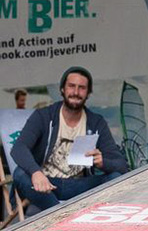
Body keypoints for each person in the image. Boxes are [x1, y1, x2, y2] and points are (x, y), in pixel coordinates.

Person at [11, 66, 128, 212]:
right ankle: (58, 213)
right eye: (71, 86)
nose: (76, 92)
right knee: (20, 174)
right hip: (48, 184)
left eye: (82, 88)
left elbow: (121, 165)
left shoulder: (96, 122)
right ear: (62, 89)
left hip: (81, 186)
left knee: (115, 176)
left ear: (88, 93)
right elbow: (19, 148)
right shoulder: (44, 116)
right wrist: (36, 172)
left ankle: (63, 213)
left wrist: (104, 162)